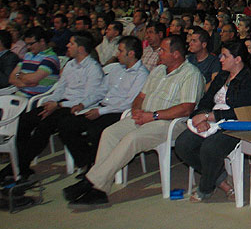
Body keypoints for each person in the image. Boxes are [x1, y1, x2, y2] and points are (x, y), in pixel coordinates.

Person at [63, 35, 204, 208]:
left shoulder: (191, 74)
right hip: (144, 117)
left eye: (163, 50)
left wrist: (153, 116)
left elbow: (186, 108)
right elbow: (141, 96)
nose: (158, 53)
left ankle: (91, 182)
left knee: (131, 139)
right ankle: (100, 188)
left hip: (168, 123)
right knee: (109, 133)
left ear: (176, 54)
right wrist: (136, 109)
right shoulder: (158, 70)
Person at [0, 32, 103, 182]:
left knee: (44, 126)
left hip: (76, 106)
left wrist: (58, 105)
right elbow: (60, 88)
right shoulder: (70, 65)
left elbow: (89, 98)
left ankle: (18, 167)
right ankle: (21, 164)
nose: (67, 45)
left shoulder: (93, 68)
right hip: (60, 103)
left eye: (71, 43)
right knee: (24, 121)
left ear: (81, 48)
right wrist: (51, 102)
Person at [174, 40, 251, 202]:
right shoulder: (222, 76)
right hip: (213, 121)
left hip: (237, 125)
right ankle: (221, 181)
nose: (220, 59)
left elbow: (240, 111)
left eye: (225, 56)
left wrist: (209, 117)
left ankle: (206, 188)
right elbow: (206, 100)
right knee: (183, 144)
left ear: (237, 59)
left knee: (210, 148)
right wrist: (202, 116)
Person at [57, 36, 149, 175]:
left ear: (130, 53)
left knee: (95, 131)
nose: (117, 54)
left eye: (120, 51)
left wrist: (100, 112)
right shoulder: (117, 69)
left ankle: (95, 168)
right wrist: (83, 104)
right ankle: (87, 161)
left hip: (119, 112)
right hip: (102, 107)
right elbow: (101, 90)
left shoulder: (141, 74)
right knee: (66, 125)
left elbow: (128, 103)